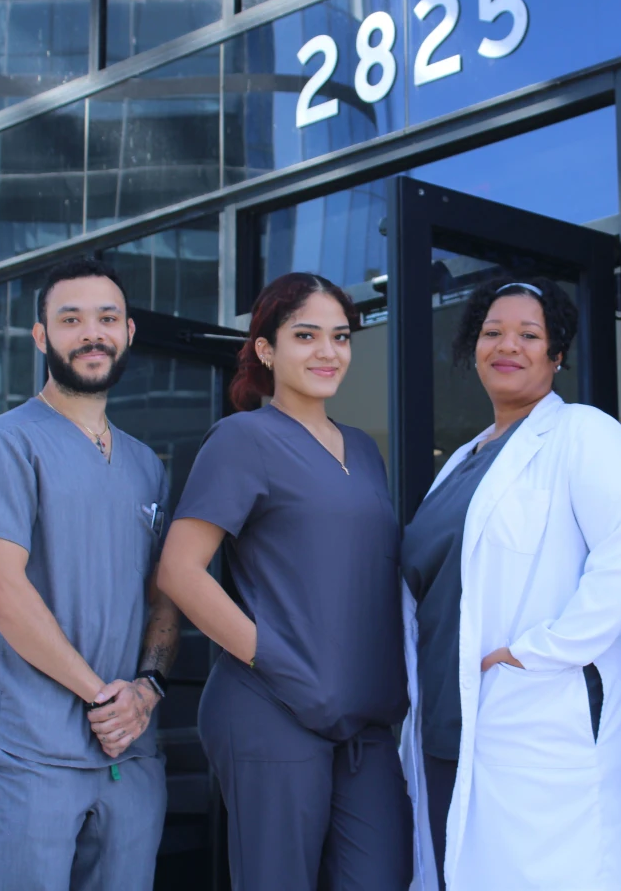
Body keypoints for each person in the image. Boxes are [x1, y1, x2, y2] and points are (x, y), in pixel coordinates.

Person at [399, 276, 621, 891]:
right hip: (452, 724)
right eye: (493, 332)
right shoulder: (460, 464)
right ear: (473, 348)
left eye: (529, 334)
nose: (508, 345)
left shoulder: (585, 433)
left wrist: (535, 653)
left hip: (541, 709)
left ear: (557, 354)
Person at [156, 272, 411, 890]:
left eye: (340, 337)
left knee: (386, 876)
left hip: (364, 723)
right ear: (266, 349)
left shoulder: (364, 450)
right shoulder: (243, 439)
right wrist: (279, 663)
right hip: (271, 705)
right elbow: (179, 571)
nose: (328, 352)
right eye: (306, 335)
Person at [0, 257, 178, 891]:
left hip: (129, 750)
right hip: (35, 745)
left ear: (129, 332)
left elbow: (165, 595)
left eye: (106, 318)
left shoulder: (146, 467)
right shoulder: (6, 442)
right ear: (42, 336)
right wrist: (103, 696)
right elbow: (1, 589)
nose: (90, 333)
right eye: (70, 319)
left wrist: (146, 691)